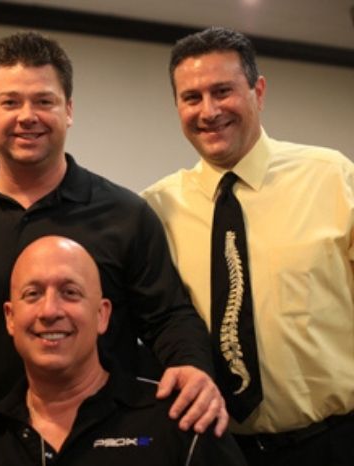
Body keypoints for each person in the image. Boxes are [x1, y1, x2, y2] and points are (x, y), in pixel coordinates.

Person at [0, 31, 227, 436]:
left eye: (44, 101)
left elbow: (168, 316)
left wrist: (192, 365)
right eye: (10, 102)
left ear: (68, 109)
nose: (27, 116)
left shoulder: (125, 215)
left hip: (110, 442)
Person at [141, 27, 354, 465]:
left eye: (223, 91)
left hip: (333, 443)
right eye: (192, 97)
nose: (209, 111)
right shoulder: (157, 209)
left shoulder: (332, 177)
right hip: (214, 449)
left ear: (258, 91)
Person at [0, 236, 247, 465]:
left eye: (70, 292)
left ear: (102, 315)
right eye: (33, 294)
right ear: (10, 318)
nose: (50, 310)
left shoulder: (182, 424)